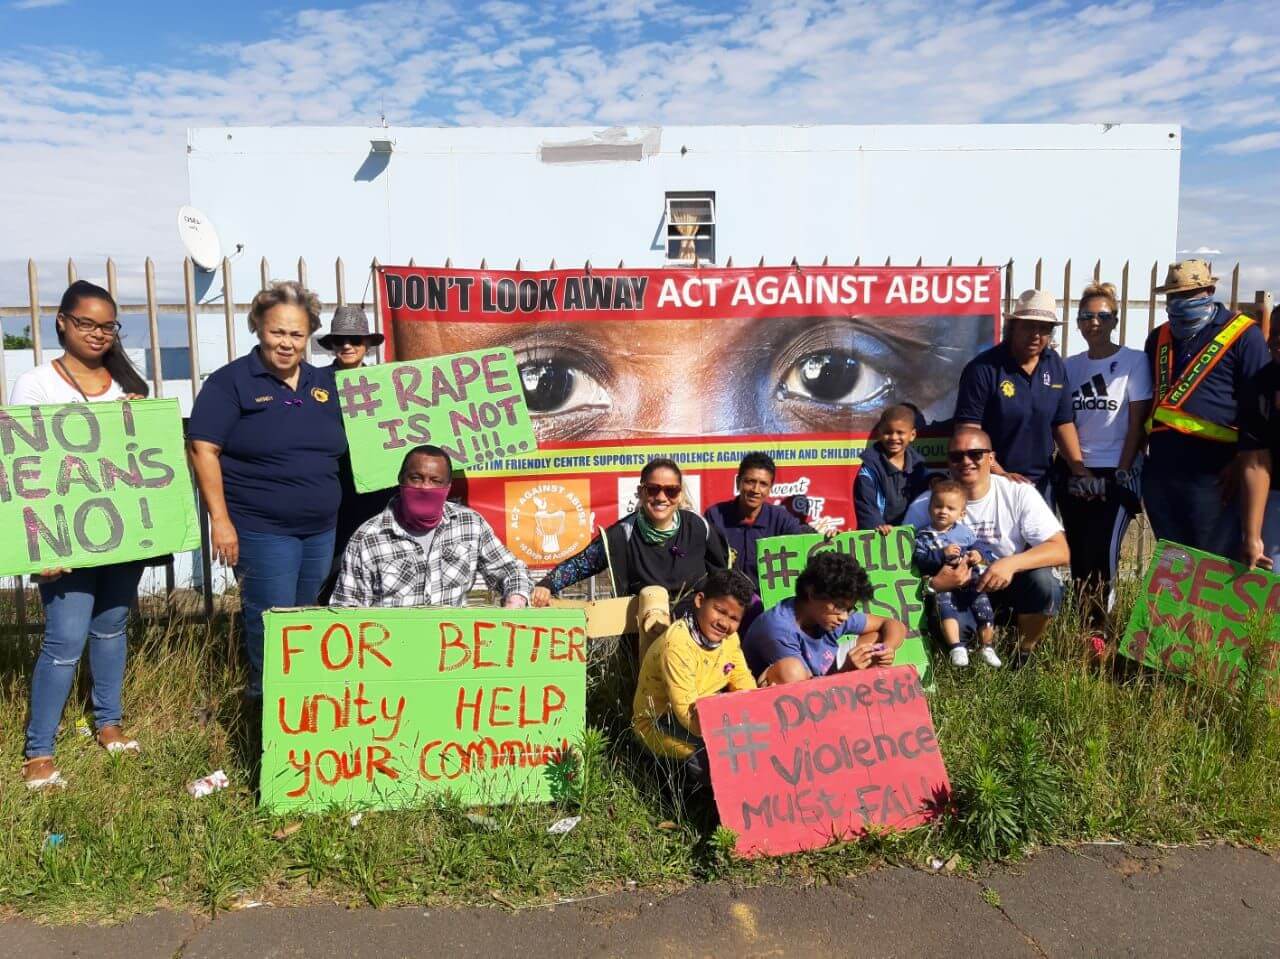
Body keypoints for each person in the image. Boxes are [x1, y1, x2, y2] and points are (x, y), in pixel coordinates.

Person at [12, 281, 151, 789]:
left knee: (112, 628)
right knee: (65, 639)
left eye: (107, 325)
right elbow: (26, 469)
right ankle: (39, 750)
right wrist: (40, 547)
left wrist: (139, 418)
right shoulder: (36, 385)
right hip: (64, 539)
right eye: (87, 323)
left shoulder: (125, 385)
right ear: (62, 323)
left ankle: (108, 724)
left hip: (121, 536)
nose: (97, 333)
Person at [187, 280, 347, 700]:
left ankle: (303, 706)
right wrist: (220, 521)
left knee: (307, 620)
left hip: (320, 530)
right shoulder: (231, 382)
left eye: (296, 334)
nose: (286, 343)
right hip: (262, 528)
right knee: (272, 622)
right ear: (258, 326)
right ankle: (267, 707)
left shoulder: (325, 382)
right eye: (277, 332)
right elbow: (203, 449)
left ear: (309, 334)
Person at [904, 427, 1068, 662]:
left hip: (1007, 583)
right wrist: (933, 584)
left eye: (975, 454)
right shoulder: (926, 504)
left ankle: (1022, 655)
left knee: (1045, 583)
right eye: (956, 456)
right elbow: (903, 560)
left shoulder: (1018, 493)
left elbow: (1060, 549)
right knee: (955, 636)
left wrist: (1010, 564)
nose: (966, 461)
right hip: (953, 592)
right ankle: (964, 649)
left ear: (991, 458)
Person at [1141, 260, 1270, 557]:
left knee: (1209, 561)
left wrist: (1243, 460)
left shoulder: (1243, 335)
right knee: (1171, 562)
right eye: (1174, 296)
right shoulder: (1158, 337)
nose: (1180, 303)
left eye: (1190, 294)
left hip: (1212, 472)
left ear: (1210, 290)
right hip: (1162, 470)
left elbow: (1256, 410)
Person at [530, 458, 729, 649]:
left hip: (697, 635)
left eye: (671, 491)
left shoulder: (699, 527)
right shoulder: (622, 534)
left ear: (680, 495)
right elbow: (582, 564)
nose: (661, 497)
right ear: (641, 492)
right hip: (644, 638)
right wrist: (547, 585)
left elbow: (723, 576)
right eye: (653, 489)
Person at [1054, 282, 1152, 636]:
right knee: (1079, 551)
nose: (1093, 322)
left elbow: (1137, 421)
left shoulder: (1133, 361)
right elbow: (1060, 420)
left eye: (1102, 316)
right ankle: (1083, 628)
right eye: (1086, 316)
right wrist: (1078, 470)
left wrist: (1123, 470)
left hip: (1116, 470)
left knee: (1104, 554)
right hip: (1076, 469)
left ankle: (1101, 629)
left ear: (1115, 320)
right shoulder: (1069, 366)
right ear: (1078, 322)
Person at [330, 445, 532, 607]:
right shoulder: (368, 537)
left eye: (435, 480)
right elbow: (347, 607)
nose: (425, 487)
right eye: (416, 478)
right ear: (401, 480)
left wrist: (515, 600)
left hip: (454, 646)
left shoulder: (470, 524)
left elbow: (511, 570)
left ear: (447, 487)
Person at [954, 289, 1093, 501]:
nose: (1036, 335)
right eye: (1028, 326)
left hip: (1042, 484)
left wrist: (1078, 468)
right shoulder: (983, 368)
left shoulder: (1054, 363)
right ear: (1012, 327)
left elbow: (1063, 422)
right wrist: (1000, 474)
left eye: (1044, 329)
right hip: (991, 484)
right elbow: (968, 432)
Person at [631, 569, 757, 797]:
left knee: (752, 744)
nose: (724, 623)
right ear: (700, 601)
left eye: (734, 618)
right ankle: (680, 796)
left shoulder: (729, 639)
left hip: (706, 711)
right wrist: (728, 735)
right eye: (719, 611)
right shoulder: (678, 644)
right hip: (662, 721)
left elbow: (742, 679)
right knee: (712, 759)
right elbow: (684, 712)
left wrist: (750, 715)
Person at [316, 305, 393, 602]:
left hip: (376, 489)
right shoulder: (315, 382)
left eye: (355, 340)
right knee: (331, 561)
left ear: (368, 344)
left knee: (374, 556)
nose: (347, 345)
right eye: (340, 340)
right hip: (331, 485)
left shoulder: (387, 381)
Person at [742, 551, 905, 684]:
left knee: (876, 641)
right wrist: (848, 671)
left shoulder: (830, 615)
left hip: (823, 678)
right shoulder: (778, 628)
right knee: (791, 670)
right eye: (840, 607)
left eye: (849, 609)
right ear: (812, 593)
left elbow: (893, 624)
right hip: (785, 697)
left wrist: (886, 648)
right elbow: (807, 694)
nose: (844, 617)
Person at [704, 451, 830, 592]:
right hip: (726, 600)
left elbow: (805, 550)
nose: (756, 490)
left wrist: (831, 540)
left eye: (763, 484)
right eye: (750, 481)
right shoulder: (715, 515)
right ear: (738, 482)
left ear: (770, 488)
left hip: (767, 604)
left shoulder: (782, 520)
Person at [912, 479, 999, 668]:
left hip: (971, 583)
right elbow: (920, 560)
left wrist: (978, 554)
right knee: (945, 610)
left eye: (950, 508)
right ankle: (955, 647)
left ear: (962, 513)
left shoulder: (965, 533)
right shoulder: (923, 536)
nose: (943, 511)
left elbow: (981, 548)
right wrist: (940, 554)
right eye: (938, 506)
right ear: (929, 509)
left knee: (984, 609)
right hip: (944, 586)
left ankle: (987, 646)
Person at [854, 404, 935, 532]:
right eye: (888, 432)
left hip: (912, 534)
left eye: (900, 433)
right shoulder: (869, 470)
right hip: (879, 534)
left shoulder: (918, 467)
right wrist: (877, 525)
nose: (893, 438)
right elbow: (865, 507)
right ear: (880, 433)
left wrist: (935, 479)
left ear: (912, 435)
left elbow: (924, 501)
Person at [1239, 322, 1280, 570]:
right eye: (1274, 332)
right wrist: (1252, 536)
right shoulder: (1261, 384)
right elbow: (1256, 460)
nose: (1277, 339)